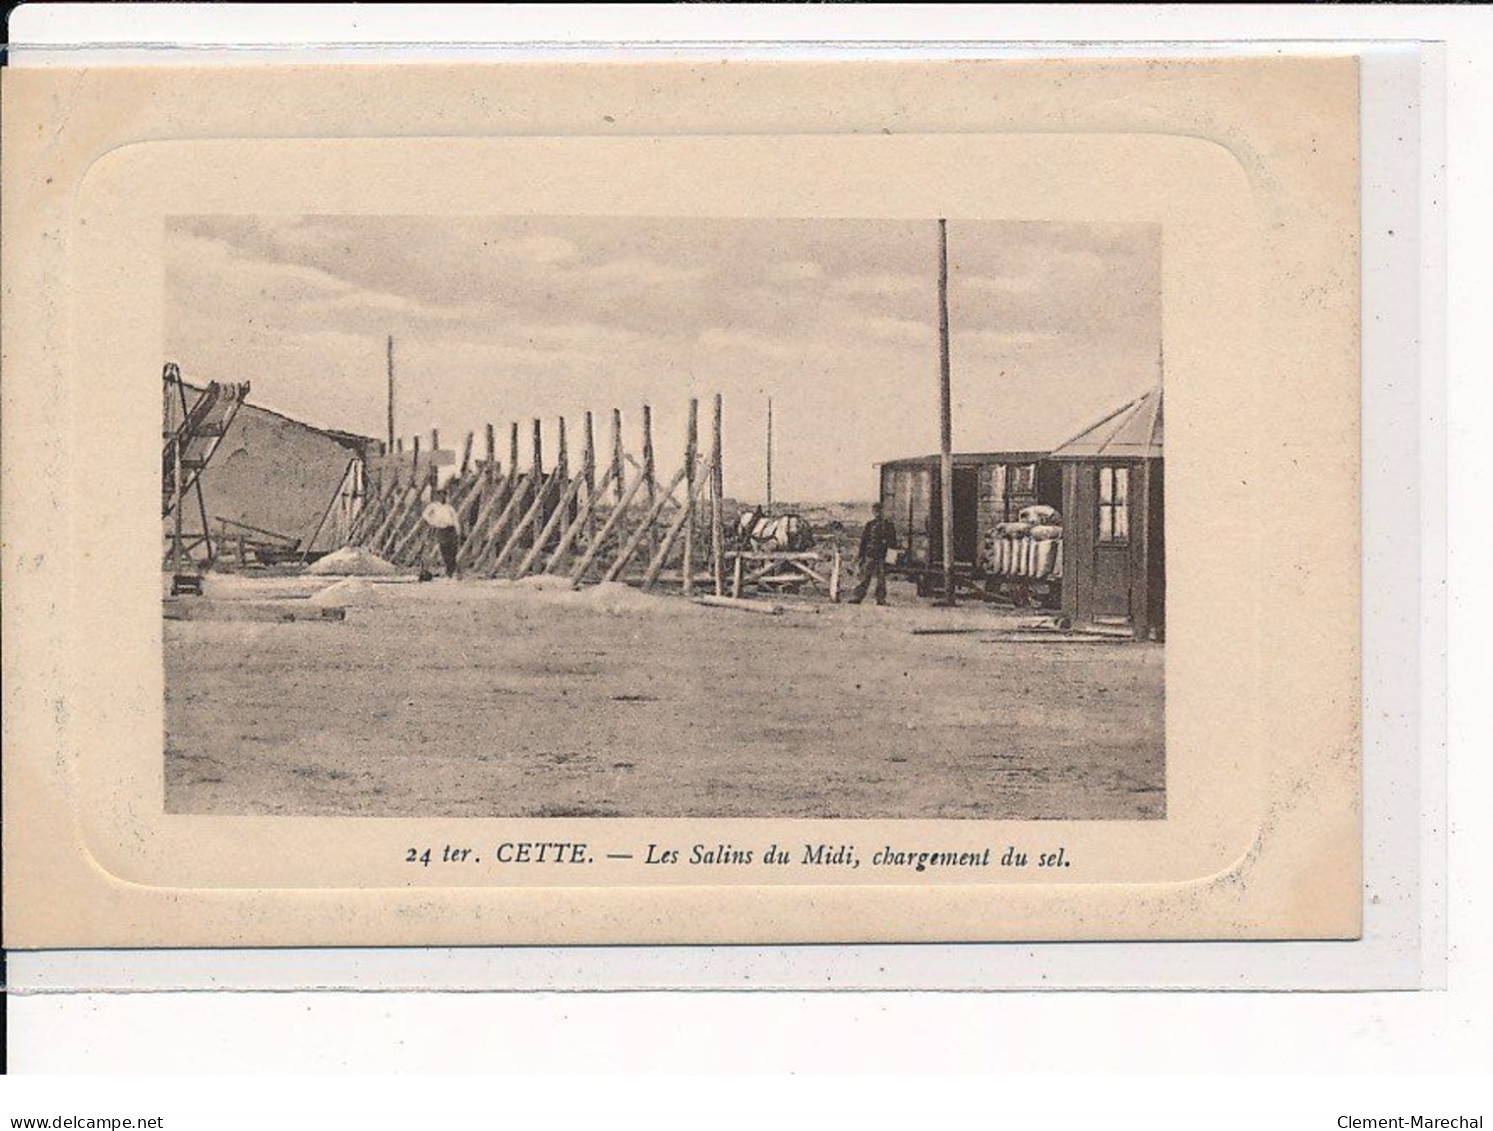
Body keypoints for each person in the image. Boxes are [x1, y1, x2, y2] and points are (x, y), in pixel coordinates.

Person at [849, 502, 898, 606]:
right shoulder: (869, 525)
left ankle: (880, 599)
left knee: (881, 579)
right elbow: (864, 541)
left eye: (879, 511)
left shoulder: (889, 526)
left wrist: (891, 559)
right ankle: (857, 597)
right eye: (875, 511)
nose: (877, 513)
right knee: (864, 578)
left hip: (882, 556)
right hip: (870, 555)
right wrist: (861, 557)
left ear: (883, 511)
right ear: (873, 512)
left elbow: (893, 544)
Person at [421, 485, 462, 578]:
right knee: (444, 549)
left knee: (453, 550)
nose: (442, 497)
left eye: (444, 495)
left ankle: (451, 572)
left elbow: (455, 519)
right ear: (437, 496)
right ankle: (449, 570)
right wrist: (433, 522)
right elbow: (425, 515)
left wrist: (458, 530)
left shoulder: (449, 507)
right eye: (441, 495)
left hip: (451, 529)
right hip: (441, 529)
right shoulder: (434, 506)